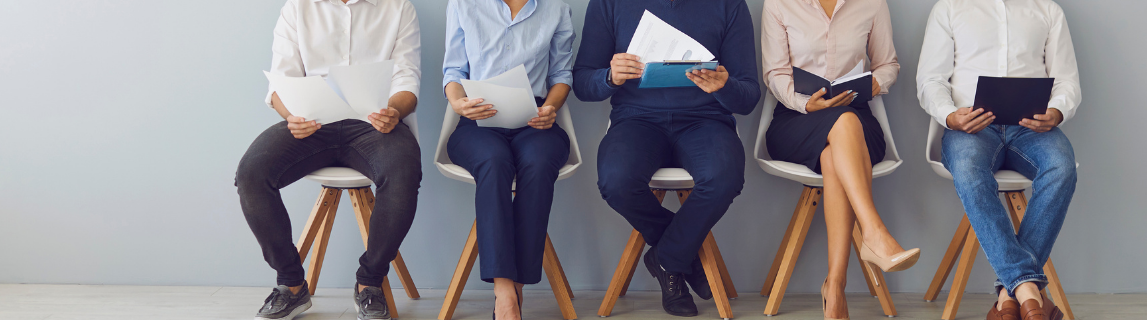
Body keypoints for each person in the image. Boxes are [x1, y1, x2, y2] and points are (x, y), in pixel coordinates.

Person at [572, 0, 761, 317]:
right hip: (637, 119)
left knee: (724, 176)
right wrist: (609, 76)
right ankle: (682, 256)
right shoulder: (609, 3)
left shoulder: (729, 5)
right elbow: (582, 83)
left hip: (706, 120)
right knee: (616, 180)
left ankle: (667, 260)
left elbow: (748, 95)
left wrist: (724, 86)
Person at [235, 0, 422, 319]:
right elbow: (280, 81)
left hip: (373, 122)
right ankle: (291, 284)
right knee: (251, 173)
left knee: (404, 171)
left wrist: (394, 112)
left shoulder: (398, 6)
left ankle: (370, 283)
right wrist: (291, 116)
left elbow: (407, 78)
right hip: (311, 122)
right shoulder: (297, 7)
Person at [916, 0, 1080, 319]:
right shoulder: (949, 8)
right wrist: (951, 116)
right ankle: (1029, 292)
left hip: (1031, 127)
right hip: (971, 128)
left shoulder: (1047, 10)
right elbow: (930, 80)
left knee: (1062, 167)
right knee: (968, 170)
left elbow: (1067, 80)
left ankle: (1012, 292)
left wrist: (1057, 110)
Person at [760, 0, 920, 318]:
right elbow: (775, 72)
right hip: (797, 118)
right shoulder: (779, 3)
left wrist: (877, 82)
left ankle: (834, 287)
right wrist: (806, 103)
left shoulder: (872, 3)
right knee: (842, 125)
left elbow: (888, 63)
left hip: (857, 121)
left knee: (837, 147)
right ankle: (874, 233)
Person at [441, 0, 575, 319]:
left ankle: (518, 285)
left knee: (539, 162)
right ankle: (504, 291)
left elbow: (561, 74)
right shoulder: (463, 4)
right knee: (494, 161)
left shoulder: (557, 8)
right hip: (477, 118)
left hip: (535, 117)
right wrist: (459, 104)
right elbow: (454, 70)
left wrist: (551, 108)